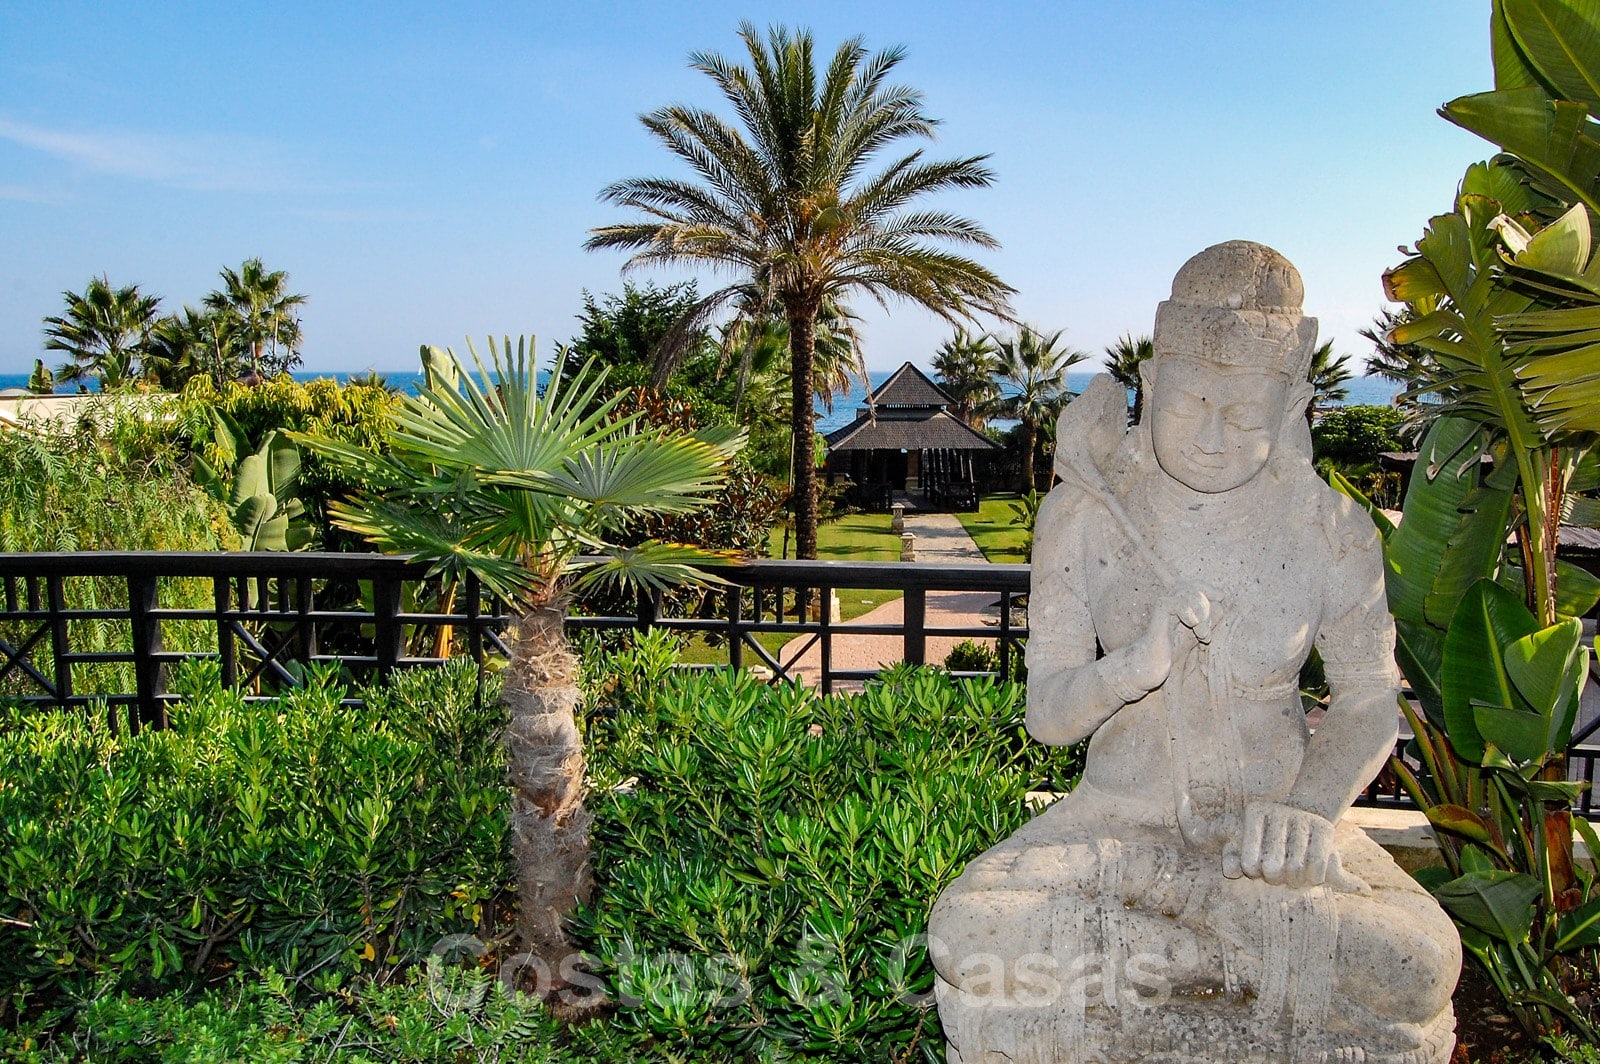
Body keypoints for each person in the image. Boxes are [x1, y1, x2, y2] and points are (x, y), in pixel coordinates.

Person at [928, 242, 1459, 1064]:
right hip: (1113, 832)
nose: (1211, 437)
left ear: (1291, 408)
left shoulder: (1330, 531)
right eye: (1188, 407)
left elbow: (1367, 699)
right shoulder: (1082, 518)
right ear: (1150, 386)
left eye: (1243, 417)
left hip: (1274, 842)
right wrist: (1128, 670)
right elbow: (1047, 720)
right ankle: (1234, 945)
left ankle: (1170, 957)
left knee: (1420, 963)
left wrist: (1309, 811)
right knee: (968, 930)